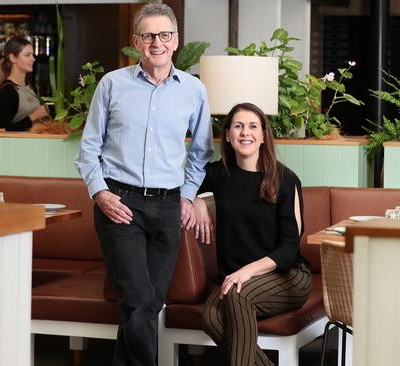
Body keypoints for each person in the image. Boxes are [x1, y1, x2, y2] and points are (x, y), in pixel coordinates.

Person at [74, 3, 213, 365]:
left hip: (167, 208)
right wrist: (100, 193)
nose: (157, 42)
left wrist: (186, 197)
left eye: (164, 35)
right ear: (136, 41)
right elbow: (88, 148)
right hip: (120, 205)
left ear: (176, 41)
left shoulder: (193, 91)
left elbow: (201, 153)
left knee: (149, 303)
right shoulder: (112, 85)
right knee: (137, 299)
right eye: (149, 35)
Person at [193, 102, 313, 366]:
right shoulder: (218, 174)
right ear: (227, 134)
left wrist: (248, 272)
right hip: (235, 276)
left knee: (238, 295)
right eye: (237, 126)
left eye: (252, 126)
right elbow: (181, 188)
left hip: (287, 275)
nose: (244, 132)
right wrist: (197, 201)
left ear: (262, 135)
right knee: (211, 317)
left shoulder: (285, 179)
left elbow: (289, 248)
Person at [0, 36, 48, 131]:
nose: (33, 59)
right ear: (13, 58)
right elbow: (2, 129)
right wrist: (33, 117)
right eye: (27, 55)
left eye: (32, 55)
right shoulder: (8, 91)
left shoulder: (29, 86)